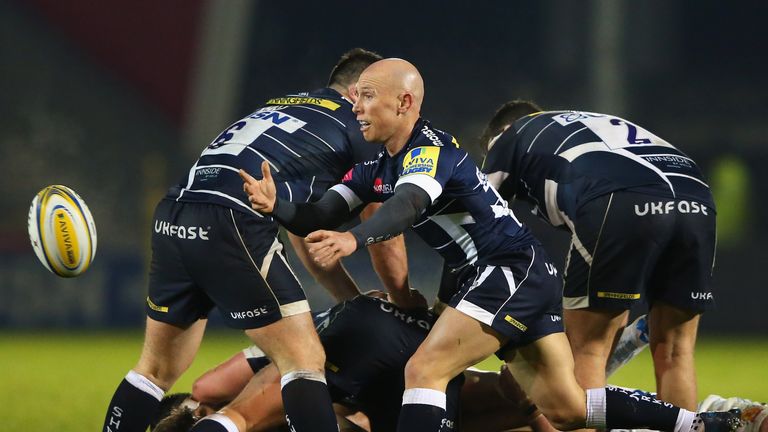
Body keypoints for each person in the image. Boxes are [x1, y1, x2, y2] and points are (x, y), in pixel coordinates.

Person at [241, 58, 740, 432]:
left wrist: (356, 237)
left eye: (367, 95)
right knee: (565, 407)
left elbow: (409, 205)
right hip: (523, 274)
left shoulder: (429, 151)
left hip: (507, 269)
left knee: (425, 368)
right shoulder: (378, 168)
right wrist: (276, 205)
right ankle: (707, 425)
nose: (355, 106)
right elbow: (324, 209)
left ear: (404, 103)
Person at [100, 48, 413, 432]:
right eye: (372, 93)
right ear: (356, 92)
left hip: (175, 212)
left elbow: (302, 228)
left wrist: (350, 298)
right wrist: (402, 299)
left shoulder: (284, 106)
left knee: (155, 370)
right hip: (232, 217)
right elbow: (382, 228)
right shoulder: (359, 124)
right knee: (303, 360)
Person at [480, 100, 717, 411]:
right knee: (676, 350)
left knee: (588, 350)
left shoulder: (511, 136)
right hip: (697, 199)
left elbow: (476, 215)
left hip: (621, 199)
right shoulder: (589, 122)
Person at [150, 292, 553, 432]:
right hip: (379, 336)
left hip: (366, 348)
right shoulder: (216, 393)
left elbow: (285, 362)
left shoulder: (213, 392)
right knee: (517, 404)